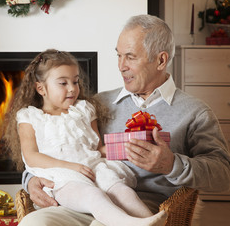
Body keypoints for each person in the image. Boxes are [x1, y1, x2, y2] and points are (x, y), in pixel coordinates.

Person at [18, 15, 230, 226]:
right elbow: (56, 146)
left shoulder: (195, 112)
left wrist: (171, 164)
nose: (121, 66)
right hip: (80, 200)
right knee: (33, 223)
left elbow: (222, 173)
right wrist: (31, 181)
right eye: (119, 56)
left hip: (144, 209)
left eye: (130, 57)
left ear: (161, 60)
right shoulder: (97, 104)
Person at [6, 49, 167, 226]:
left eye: (75, 82)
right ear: (41, 88)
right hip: (61, 179)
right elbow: (31, 156)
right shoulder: (30, 117)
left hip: (93, 169)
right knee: (94, 195)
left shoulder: (84, 109)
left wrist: (129, 147)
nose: (72, 88)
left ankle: (150, 221)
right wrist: (71, 166)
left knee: (121, 190)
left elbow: (97, 148)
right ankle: (131, 224)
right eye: (63, 83)